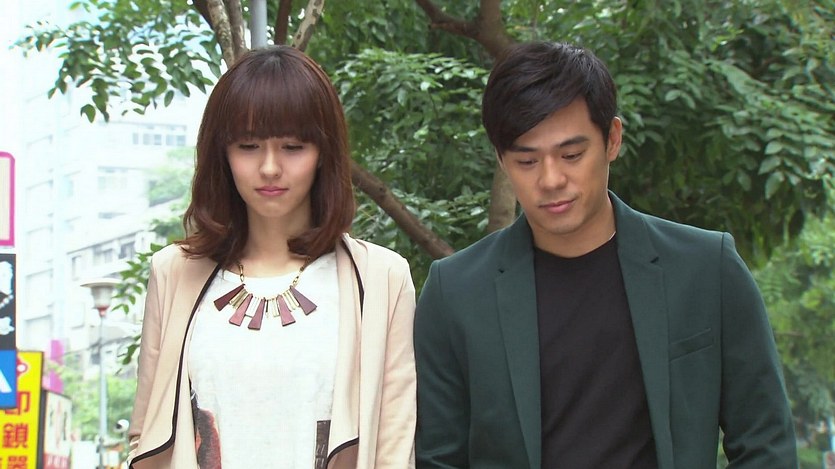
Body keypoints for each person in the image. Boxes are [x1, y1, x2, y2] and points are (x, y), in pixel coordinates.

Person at [413, 41, 797, 468]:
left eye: (571, 155)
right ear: (502, 160)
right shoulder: (455, 292)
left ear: (612, 139)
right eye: (527, 161)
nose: (551, 179)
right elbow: (439, 459)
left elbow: (766, 442)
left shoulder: (706, 268)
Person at [127, 45, 416, 469]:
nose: (269, 167)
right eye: (248, 145)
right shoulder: (174, 273)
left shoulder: (381, 278)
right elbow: (147, 434)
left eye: (293, 147)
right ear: (222, 153)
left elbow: (394, 444)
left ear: (324, 153)